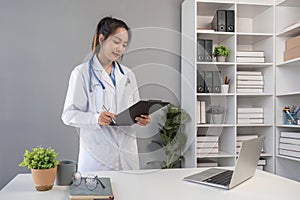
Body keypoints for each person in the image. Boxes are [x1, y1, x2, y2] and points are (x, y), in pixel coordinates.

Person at [61, 17, 151, 171]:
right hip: (97, 159)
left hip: (127, 157)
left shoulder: (128, 75)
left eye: (124, 45)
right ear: (101, 39)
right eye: (116, 42)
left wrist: (141, 119)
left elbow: (135, 108)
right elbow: (68, 115)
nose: (120, 49)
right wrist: (97, 119)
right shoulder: (81, 73)